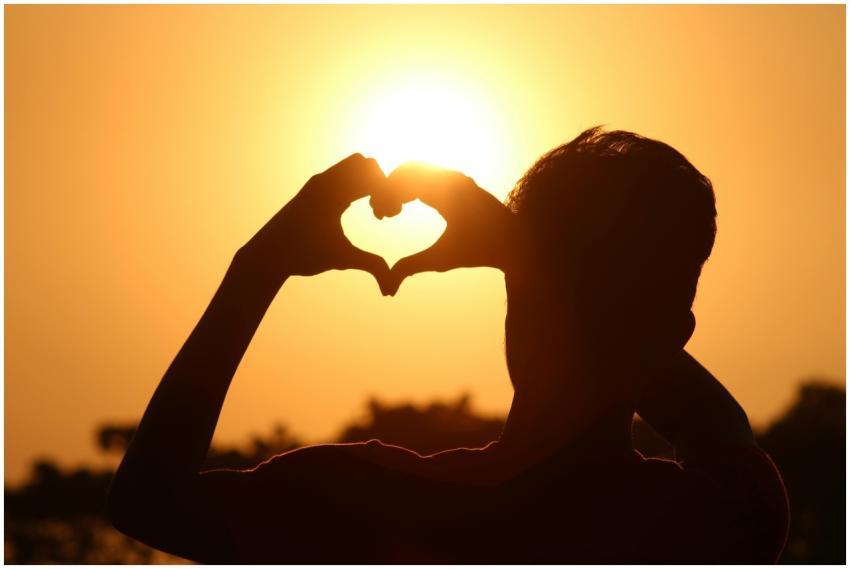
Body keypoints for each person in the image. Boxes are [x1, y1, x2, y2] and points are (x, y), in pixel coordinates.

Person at [108, 127, 789, 563]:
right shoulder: (716, 520)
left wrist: (257, 267)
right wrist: (530, 259)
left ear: (516, 300)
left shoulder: (370, 500)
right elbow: (714, 422)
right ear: (676, 333)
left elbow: (148, 497)